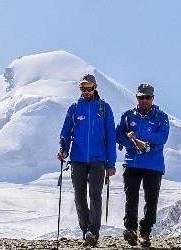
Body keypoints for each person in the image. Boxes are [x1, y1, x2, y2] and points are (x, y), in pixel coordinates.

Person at [57, 73, 116, 247]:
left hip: (99, 159)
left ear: (95, 87)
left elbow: (111, 137)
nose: (86, 91)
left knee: (95, 194)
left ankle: (94, 232)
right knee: (79, 196)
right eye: (83, 88)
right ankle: (86, 231)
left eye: (89, 88)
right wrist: (63, 149)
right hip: (77, 159)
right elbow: (65, 132)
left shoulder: (104, 108)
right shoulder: (74, 108)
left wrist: (111, 163)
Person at [116, 83, 170, 247]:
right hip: (132, 162)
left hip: (153, 164)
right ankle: (131, 229)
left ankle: (145, 232)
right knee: (131, 197)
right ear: (136, 97)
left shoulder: (161, 117)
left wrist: (140, 136)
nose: (144, 100)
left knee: (151, 199)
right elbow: (119, 136)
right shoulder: (127, 116)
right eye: (141, 97)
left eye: (147, 97)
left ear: (153, 98)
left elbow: (162, 138)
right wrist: (134, 144)